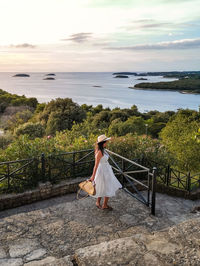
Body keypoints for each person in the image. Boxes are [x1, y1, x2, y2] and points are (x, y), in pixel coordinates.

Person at [90, 134, 122, 210]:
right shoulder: (99, 152)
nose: (107, 143)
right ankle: (104, 205)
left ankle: (99, 203)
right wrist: (93, 176)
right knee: (107, 186)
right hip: (103, 171)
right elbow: (96, 165)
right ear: (102, 143)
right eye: (106, 142)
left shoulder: (102, 150)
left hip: (106, 169)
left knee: (102, 186)